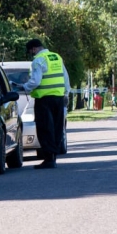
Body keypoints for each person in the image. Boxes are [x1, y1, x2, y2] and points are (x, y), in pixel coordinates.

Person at [23, 39, 69, 169]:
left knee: (45, 128)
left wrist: (25, 87)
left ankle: (49, 158)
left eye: (30, 51)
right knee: (56, 128)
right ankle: (53, 157)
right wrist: (66, 93)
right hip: (58, 98)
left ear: (33, 49)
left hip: (44, 100)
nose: (31, 54)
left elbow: (36, 81)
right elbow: (65, 77)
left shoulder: (38, 60)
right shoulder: (56, 57)